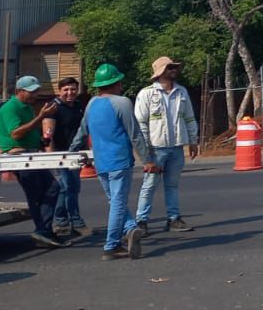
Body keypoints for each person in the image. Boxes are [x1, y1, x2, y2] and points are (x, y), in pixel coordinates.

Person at [81, 63, 156, 260]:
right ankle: (112, 245)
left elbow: (83, 130)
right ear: (116, 83)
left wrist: (72, 152)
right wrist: (147, 160)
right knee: (118, 203)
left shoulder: (91, 104)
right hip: (119, 161)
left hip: (101, 162)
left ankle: (130, 228)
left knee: (114, 201)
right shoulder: (122, 102)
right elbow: (135, 134)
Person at [133, 55, 199, 234]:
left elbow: (189, 118)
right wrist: (145, 151)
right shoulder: (147, 93)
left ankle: (173, 218)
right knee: (149, 185)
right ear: (161, 71)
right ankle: (141, 221)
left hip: (176, 147)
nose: (174, 70)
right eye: (170, 67)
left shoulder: (181, 92)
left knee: (172, 185)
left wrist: (193, 141)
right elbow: (141, 123)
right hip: (155, 149)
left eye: (174, 67)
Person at [0, 75, 62, 249]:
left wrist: (40, 141)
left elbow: (29, 131)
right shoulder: (10, 108)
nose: (35, 95)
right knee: (36, 193)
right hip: (19, 155)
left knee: (52, 188)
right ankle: (42, 231)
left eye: (36, 91)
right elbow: (16, 133)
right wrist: (41, 117)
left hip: (31, 153)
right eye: (31, 92)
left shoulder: (27, 107)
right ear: (19, 91)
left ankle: (44, 230)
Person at [43, 75, 87, 238]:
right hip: (60, 154)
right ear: (59, 91)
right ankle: (67, 221)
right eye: (66, 90)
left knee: (73, 187)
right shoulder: (53, 107)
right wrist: (51, 156)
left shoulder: (78, 106)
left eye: (73, 89)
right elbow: (48, 134)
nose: (70, 92)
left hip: (75, 153)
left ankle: (68, 220)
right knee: (66, 186)